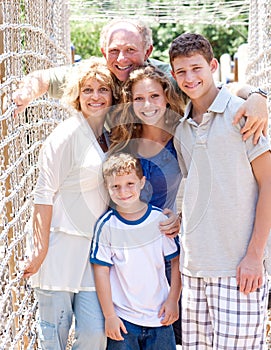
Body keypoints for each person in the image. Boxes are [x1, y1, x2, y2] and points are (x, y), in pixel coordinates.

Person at [12, 18, 269, 144]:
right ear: (104, 53)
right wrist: (23, 95)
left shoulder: (162, 79)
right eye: (113, 51)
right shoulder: (94, 75)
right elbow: (43, 79)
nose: (121, 58)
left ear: (147, 52)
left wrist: (257, 95)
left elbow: (217, 88)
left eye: (130, 50)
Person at [169, 32, 271, 349]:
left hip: (239, 266)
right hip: (194, 267)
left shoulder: (244, 114)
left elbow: (269, 184)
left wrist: (254, 256)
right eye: (182, 71)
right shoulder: (181, 128)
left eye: (197, 68)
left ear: (213, 66)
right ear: (173, 75)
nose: (190, 77)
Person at [22, 57, 121, 350]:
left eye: (102, 89)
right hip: (59, 248)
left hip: (92, 252)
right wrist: (39, 251)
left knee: (94, 334)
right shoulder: (64, 135)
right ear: (76, 94)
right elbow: (43, 194)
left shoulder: (107, 135)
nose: (95, 96)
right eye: (87, 89)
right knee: (54, 338)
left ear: (113, 95)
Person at [108, 64, 184, 344]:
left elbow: (204, 185)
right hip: (126, 254)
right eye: (138, 98)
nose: (147, 104)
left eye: (154, 96)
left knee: (168, 330)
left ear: (166, 97)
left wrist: (180, 217)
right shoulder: (122, 139)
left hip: (165, 245)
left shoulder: (183, 135)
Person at [90, 152, 182, 350]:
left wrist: (173, 299)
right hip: (123, 321)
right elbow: (101, 271)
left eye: (130, 184)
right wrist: (109, 316)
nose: (123, 192)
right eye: (115, 186)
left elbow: (176, 262)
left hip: (159, 318)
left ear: (142, 182)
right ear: (107, 188)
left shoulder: (159, 221)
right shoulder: (106, 226)